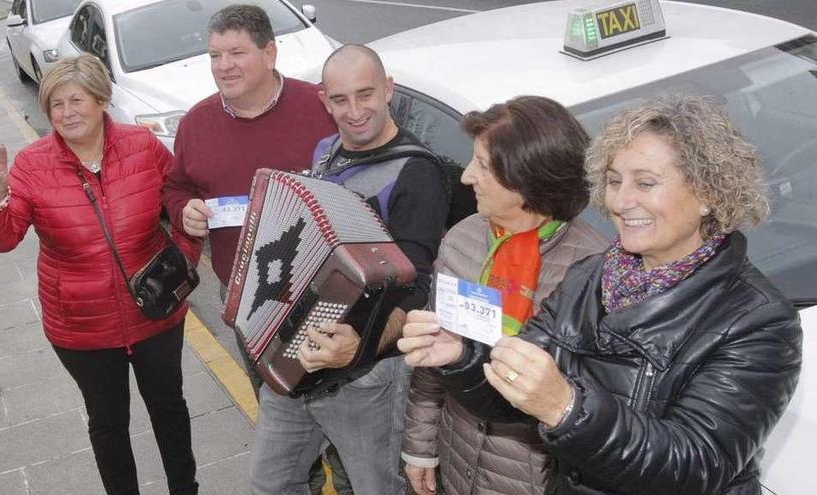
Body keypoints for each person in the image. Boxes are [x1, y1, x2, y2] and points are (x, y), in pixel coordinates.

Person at [398, 94, 803, 495]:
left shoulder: (760, 321)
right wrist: (461, 357)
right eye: (613, 181)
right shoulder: (591, 276)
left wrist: (566, 408)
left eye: (645, 183)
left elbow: (695, 464)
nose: (621, 202)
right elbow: (520, 394)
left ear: (709, 194)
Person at [0, 54, 199, 495]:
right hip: (81, 326)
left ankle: (185, 488)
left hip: (156, 313)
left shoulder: (141, 145)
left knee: (169, 408)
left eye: (76, 100)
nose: (66, 112)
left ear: (101, 100)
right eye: (56, 104)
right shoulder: (32, 164)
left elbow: (181, 200)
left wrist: (185, 257)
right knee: (108, 422)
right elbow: (1, 240)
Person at [248, 44, 450, 495]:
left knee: (380, 488)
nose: (355, 111)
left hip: (367, 380)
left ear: (389, 90)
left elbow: (417, 286)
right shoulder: (326, 152)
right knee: (268, 483)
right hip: (299, 360)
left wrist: (360, 348)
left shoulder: (416, 173)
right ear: (324, 100)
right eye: (340, 100)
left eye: (366, 95)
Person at [400, 96, 608, 495]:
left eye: (482, 165)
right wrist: (421, 448)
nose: (465, 177)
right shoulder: (462, 240)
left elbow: (591, 405)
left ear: (525, 180)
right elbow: (432, 359)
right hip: (457, 464)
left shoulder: (591, 271)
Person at [162, 3, 335, 394]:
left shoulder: (320, 108)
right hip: (245, 298)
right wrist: (183, 209)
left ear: (269, 53)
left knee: (334, 400)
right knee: (272, 399)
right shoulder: (196, 124)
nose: (224, 66)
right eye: (215, 56)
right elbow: (176, 186)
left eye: (237, 53)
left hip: (322, 288)